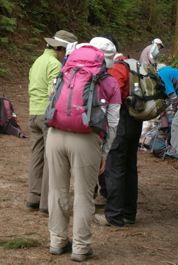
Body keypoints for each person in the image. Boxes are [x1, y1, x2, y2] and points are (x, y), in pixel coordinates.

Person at [47, 43, 121, 262]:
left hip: (55, 134)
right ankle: (80, 246)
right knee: (83, 194)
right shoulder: (108, 81)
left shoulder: (65, 71)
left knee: (56, 190)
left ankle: (57, 240)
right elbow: (114, 122)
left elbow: (52, 99)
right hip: (86, 139)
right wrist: (104, 152)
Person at [26, 30, 78, 214]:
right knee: (51, 158)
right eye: (65, 51)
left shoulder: (37, 61)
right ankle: (47, 204)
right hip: (46, 115)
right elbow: (53, 93)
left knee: (36, 155)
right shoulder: (55, 64)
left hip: (33, 112)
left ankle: (34, 195)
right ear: (59, 48)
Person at [94, 42, 144, 228]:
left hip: (122, 119)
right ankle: (129, 213)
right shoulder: (135, 65)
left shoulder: (116, 69)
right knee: (130, 166)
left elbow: (110, 95)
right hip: (136, 119)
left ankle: (114, 215)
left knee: (115, 167)